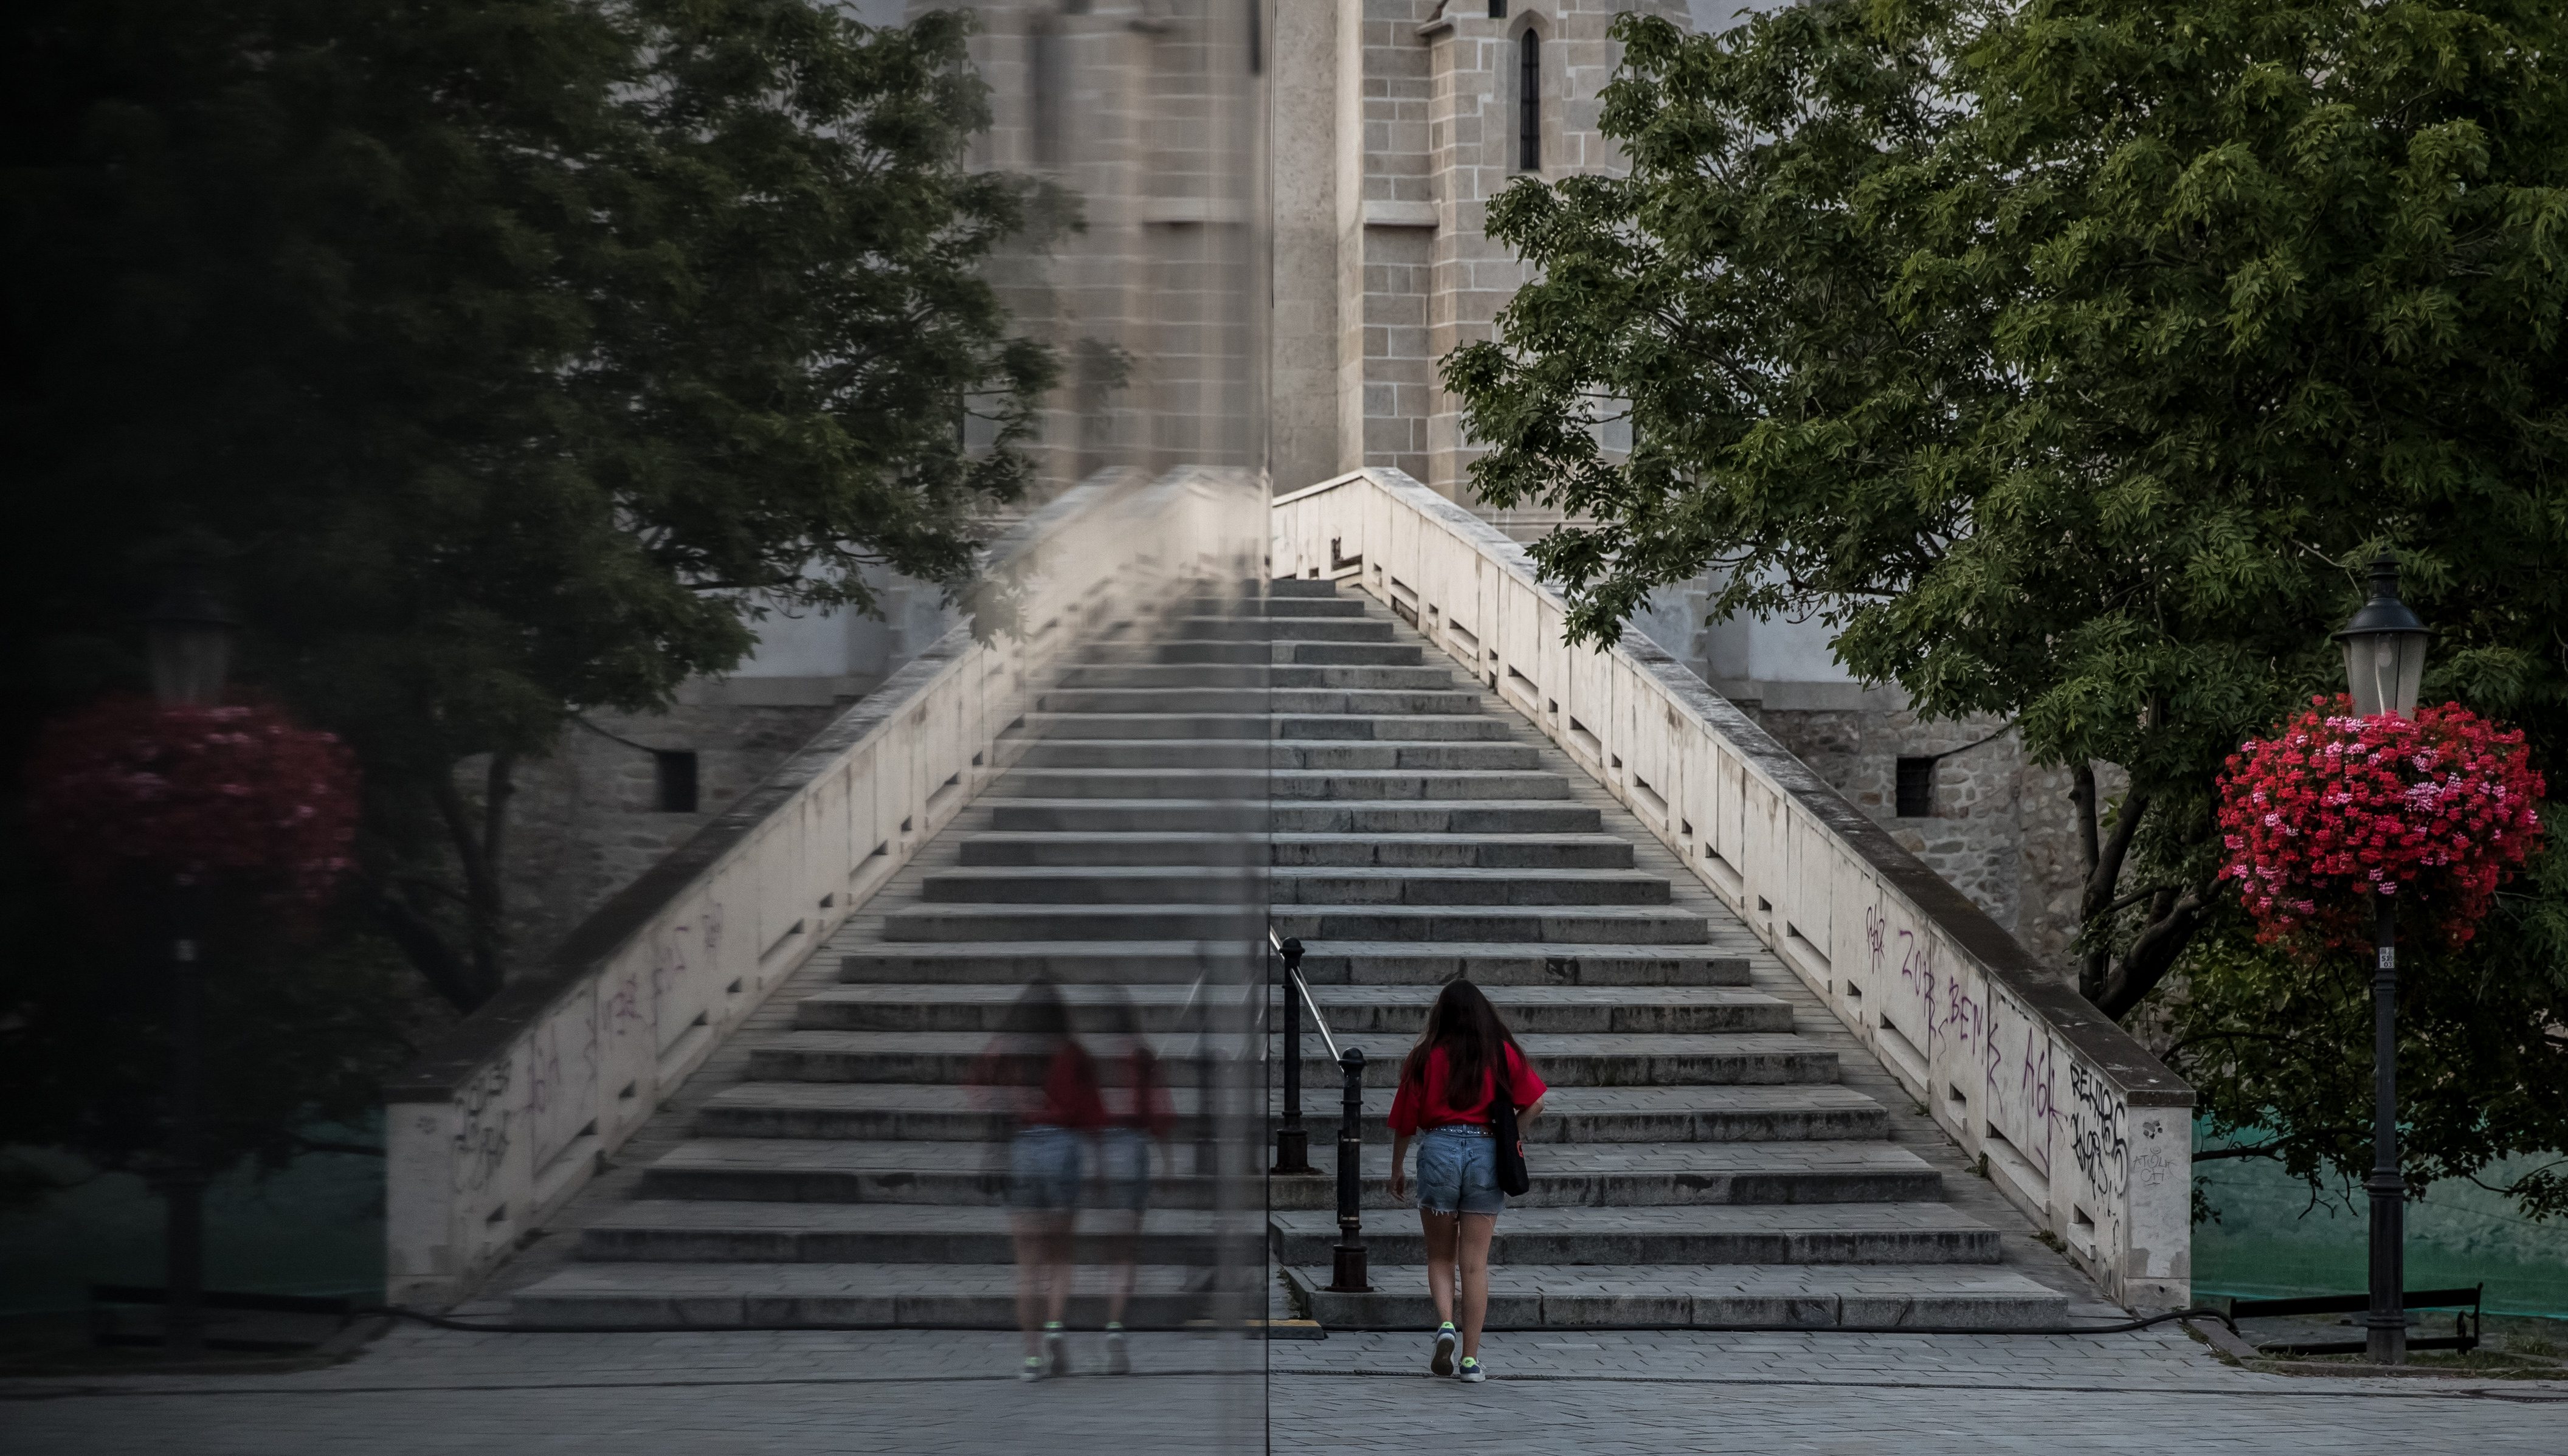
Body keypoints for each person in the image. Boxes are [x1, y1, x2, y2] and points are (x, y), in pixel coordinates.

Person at [1385, 979, 1546, 1383]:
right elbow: (1537, 1101)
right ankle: (1471, 1361)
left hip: (1438, 1150)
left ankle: (1444, 1326)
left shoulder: (1424, 1057)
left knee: (1440, 1256)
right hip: (1486, 1154)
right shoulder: (1500, 1052)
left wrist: (1397, 1168)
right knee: (1474, 1265)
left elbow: (1405, 1121)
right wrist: (1512, 1134)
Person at [965, 978, 1106, 1381]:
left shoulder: (1008, 1047)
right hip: (1064, 1150)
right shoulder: (1072, 1052)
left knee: (1028, 1264)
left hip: (1023, 1150)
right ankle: (1056, 1327)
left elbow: (974, 1088)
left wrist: (1012, 1102)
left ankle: (1031, 1359)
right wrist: (1097, 1166)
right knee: (1060, 1256)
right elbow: (1092, 1113)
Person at [1096, 988, 1173, 1374]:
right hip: (1134, 1148)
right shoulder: (1141, 1053)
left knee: (1111, 1245)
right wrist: (1168, 1159)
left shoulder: (1093, 1055)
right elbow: (1159, 1107)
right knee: (1127, 1251)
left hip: (1101, 1150)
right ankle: (1115, 1324)